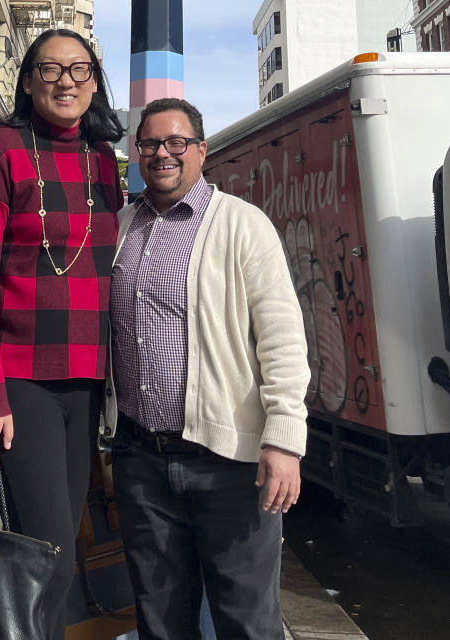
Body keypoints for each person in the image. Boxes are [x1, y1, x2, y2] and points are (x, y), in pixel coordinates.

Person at [105, 98, 310, 640]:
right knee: (160, 621)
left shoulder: (243, 225)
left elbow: (284, 339)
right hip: (142, 460)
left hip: (231, 465)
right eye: (150, 144)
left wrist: (285, 440)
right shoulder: (121, 226)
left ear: (201, 150)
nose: (163, 154)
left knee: (246, 622)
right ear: (137, 153)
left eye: (176, 143)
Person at [0, 28, 124, 640]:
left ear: (95, 83)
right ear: (28, 81)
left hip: (88, 379)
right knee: (46, 547)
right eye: (50, 70)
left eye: (79, 70)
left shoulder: (103, 159)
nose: (65, 82)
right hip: (23, 376)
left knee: (66, 550)